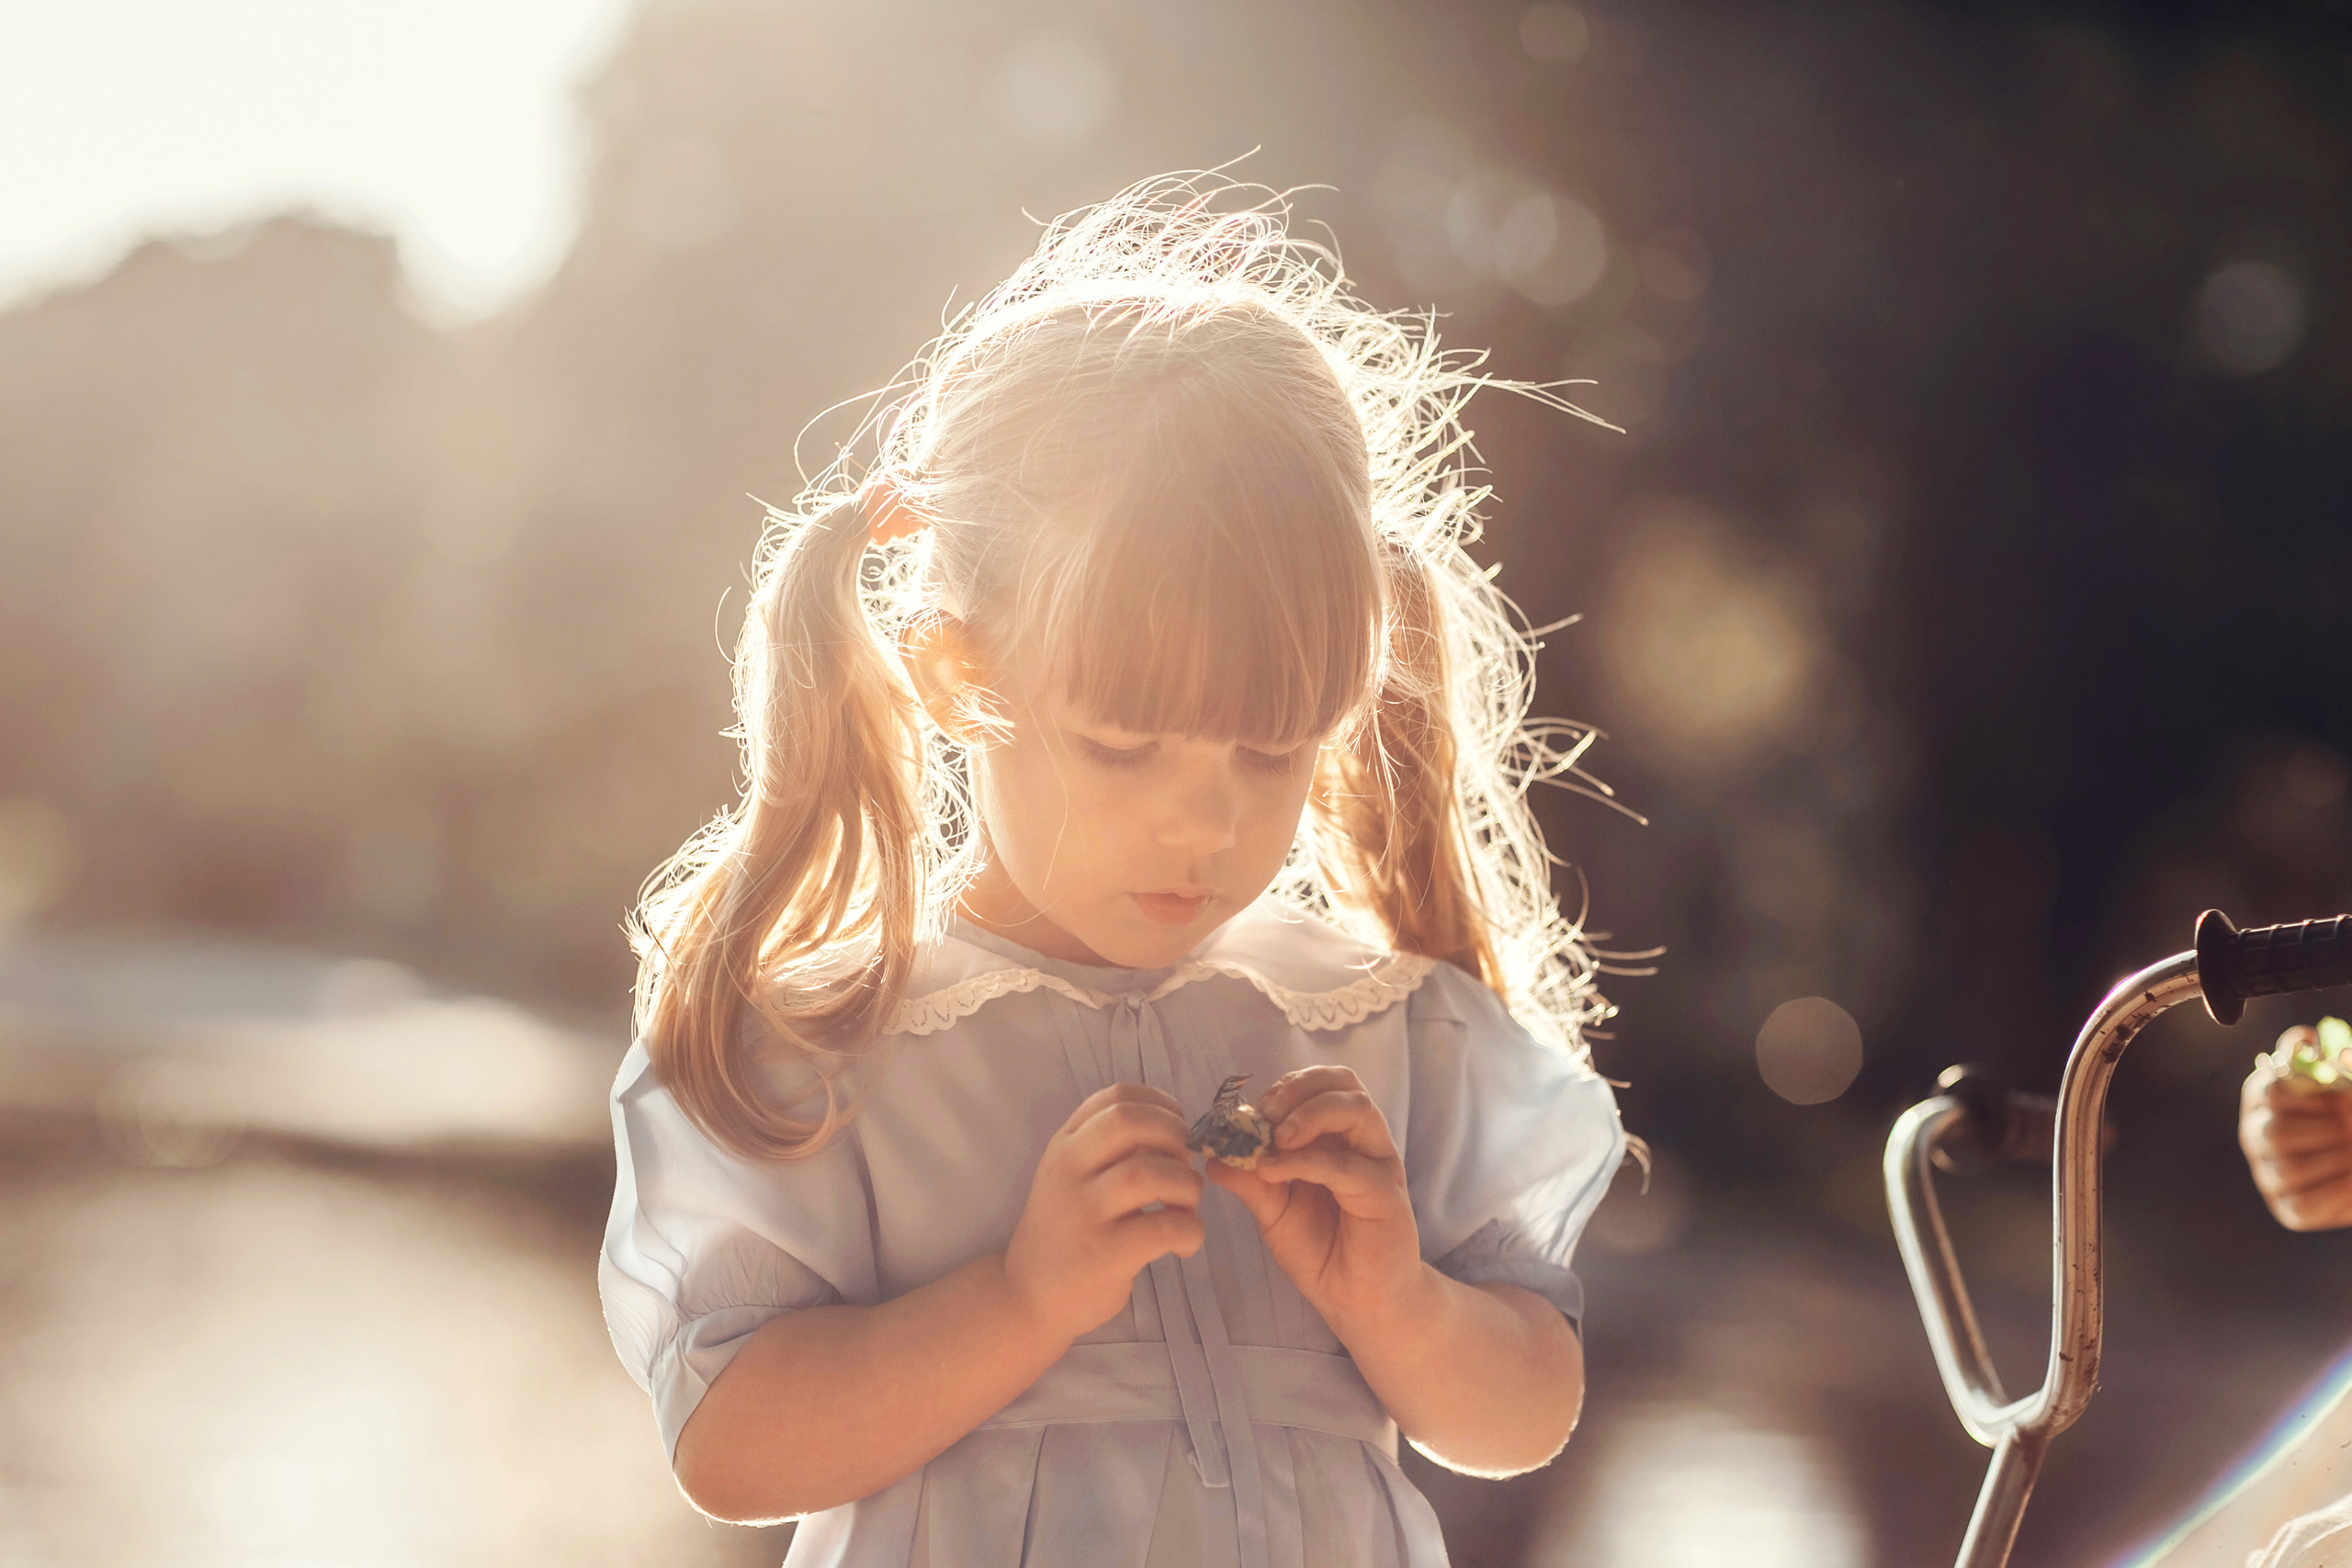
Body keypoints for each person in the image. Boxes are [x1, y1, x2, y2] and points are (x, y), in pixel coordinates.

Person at [596, 174, 1630, 1568]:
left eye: (1271, 753)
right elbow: (729, 1445)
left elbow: (1520, 1414)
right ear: (961, 670)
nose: (1200, 827)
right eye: (1127, 745)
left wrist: (1396, 1297)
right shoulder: (830, 1051)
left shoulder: (1383, 1031)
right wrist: (1022, 1299)